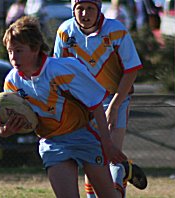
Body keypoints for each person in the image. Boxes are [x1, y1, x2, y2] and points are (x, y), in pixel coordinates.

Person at [0, 15, 127, 197]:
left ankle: (119, 177)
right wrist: (5, 130)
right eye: (10, 51)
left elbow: (96, 104)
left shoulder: (62, 69)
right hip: (52, 142)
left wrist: (107, 144)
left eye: (18, 51)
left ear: (35, 49)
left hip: (84, 135)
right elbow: (18, 117)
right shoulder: (12, 82)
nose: (13, 57)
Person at [53, 0, 147, 197]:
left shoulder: (116, 31)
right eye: (79, 8)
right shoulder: (65, 31)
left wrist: (115, 105)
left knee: (107, 156)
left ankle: (120, 173)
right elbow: (58, 71)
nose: (84, 13)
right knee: (92, 156)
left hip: (115, 99)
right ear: (72, 10)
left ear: (99, 10)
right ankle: (121, 173)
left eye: (90, 8)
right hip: (83, 104)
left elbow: (131, 71)